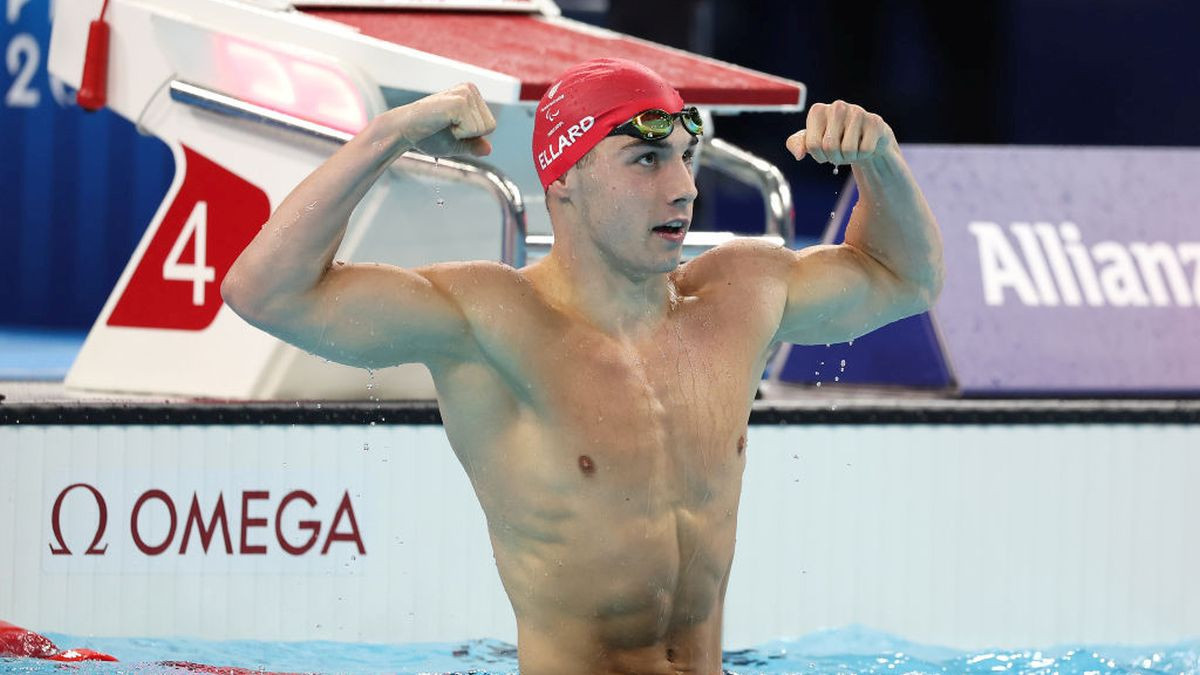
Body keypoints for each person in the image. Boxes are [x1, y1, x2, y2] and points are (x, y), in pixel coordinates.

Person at [222, 58, 943, 675]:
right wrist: (388, 135)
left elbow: (907, 279)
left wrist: (879, 160)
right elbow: (263, 291)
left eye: (686, 157)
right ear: (564, 176)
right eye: (646, 159)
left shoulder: (737, 294)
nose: (684, 188)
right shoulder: (490, 320)